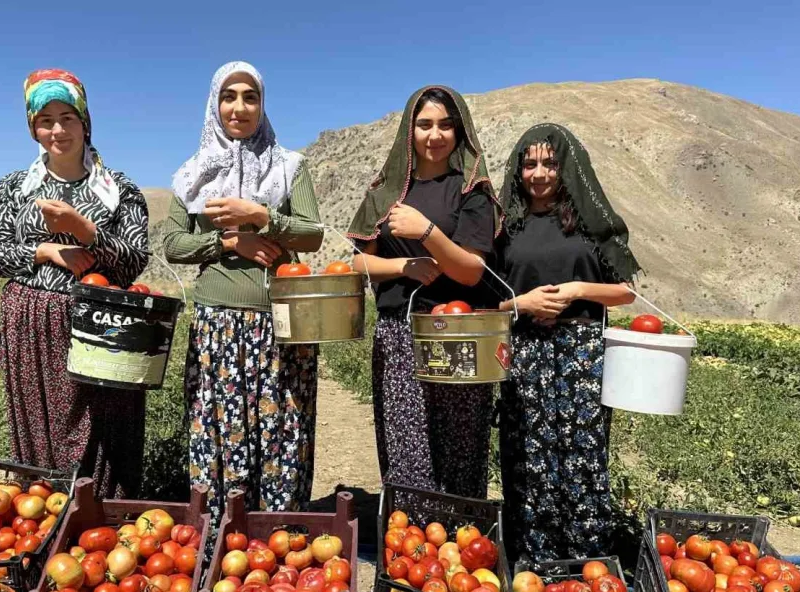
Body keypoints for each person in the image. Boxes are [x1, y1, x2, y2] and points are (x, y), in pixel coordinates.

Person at [164, 61, 323, 529]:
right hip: (217, 327)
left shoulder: (290, 166)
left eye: (250, 97)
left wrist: (259, 214)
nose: (239, 106)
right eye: (229, 96)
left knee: (282, 435)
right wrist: (229, 242)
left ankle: (279, 539)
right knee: (220, 436)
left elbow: (313, 233)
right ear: (214, 104)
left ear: (262, 104)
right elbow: (173, 244)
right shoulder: (192, 173)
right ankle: (221, 545)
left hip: (282, 327)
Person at [0, 69, 149, 498]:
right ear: (33, 128)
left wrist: (84, 229)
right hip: (32, 326)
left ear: (86, 121)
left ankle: (107, 514)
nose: (58, 130)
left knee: (106, 423)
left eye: (68, 118)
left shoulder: (121, 191)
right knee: (42, 421)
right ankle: (44, 513)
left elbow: (133, 263)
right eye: (45, 120)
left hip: (102, 324)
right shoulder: (14, 189)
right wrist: (45, 251)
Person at [494, 123, 641, 562]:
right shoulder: (506, 228)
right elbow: (490, 300)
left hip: (582, 354)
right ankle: (532, 559)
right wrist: (522, 302)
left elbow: (626, 292)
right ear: (518, 170)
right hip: (524, 352)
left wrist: (577, 289)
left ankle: (586, 559)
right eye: (530, 163)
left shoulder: (591, 224)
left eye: (550, 163)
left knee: (583, 452)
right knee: (526, 455)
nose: (539, 173)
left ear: (568, 168)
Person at [347, 86, 501, 498]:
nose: (435, 135)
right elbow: (359, 263)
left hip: (460, 332)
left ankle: (463, 543)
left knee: (460, 444)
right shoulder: (385, 192)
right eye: (425, 124)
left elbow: (471, 271)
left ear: (460, 132)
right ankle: (408, 545)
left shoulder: (472, 192)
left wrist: (426, 232)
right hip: (399, 334)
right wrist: (404, 266)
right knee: (405, 443)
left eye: (446, 125)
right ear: (409, 131)